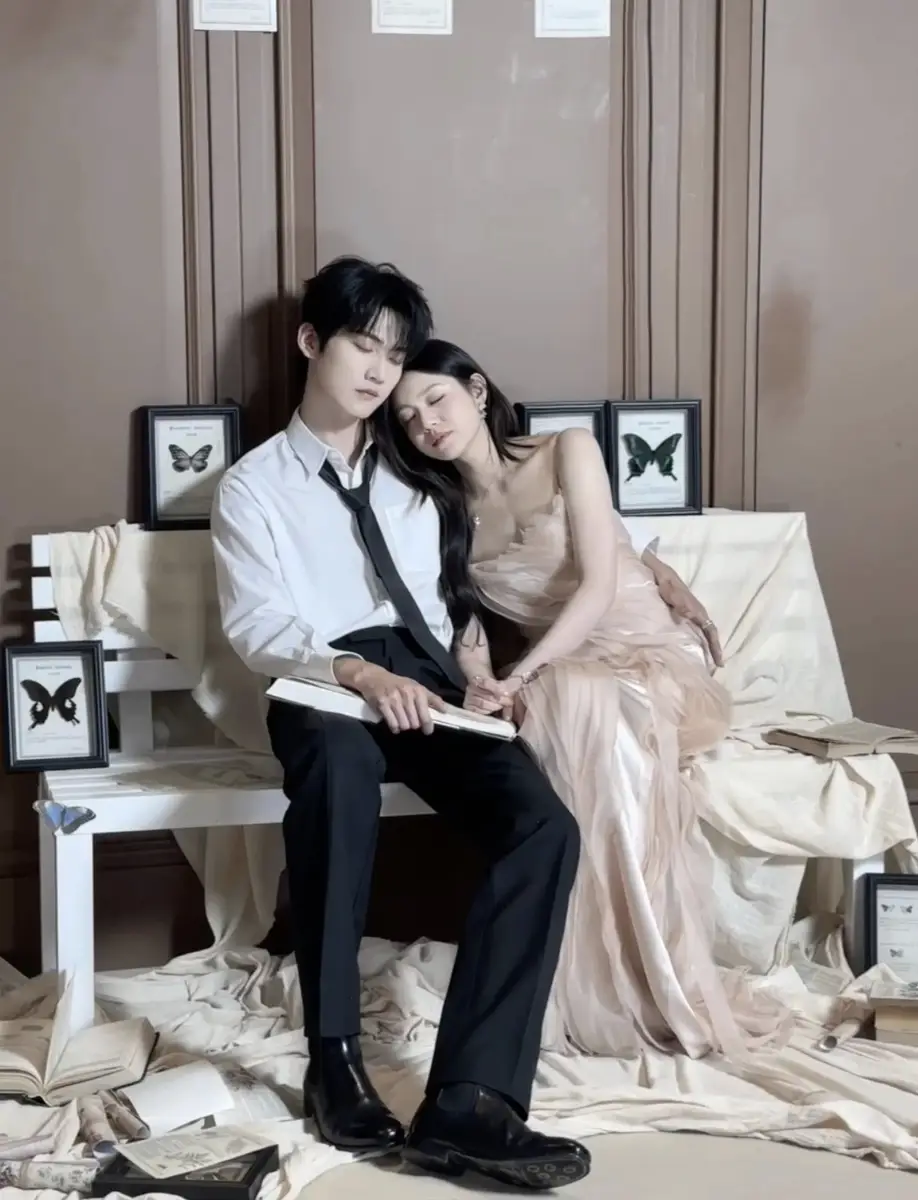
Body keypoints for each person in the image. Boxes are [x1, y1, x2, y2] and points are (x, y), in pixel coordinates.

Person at [211, 257, 592, 1190]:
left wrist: (475, 674)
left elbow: (449, 597)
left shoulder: (416, 472)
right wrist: (358, 673)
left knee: (542, 826)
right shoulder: (253, 487)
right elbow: (259, 626)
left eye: (394, 354)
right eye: (363, 346)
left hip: (426, 684)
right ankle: (334, 1063)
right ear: (312, 342)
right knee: (337, 775)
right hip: (324, 683)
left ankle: (470, 1103)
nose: (381, 372)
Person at [372, 338, 791, 1061]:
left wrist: (525, 674)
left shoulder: (568, 449)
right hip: (565, 671)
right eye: (407, 418)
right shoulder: (441, 510)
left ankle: (657, 978)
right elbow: (466, 624)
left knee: (573, 701)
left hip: (647, 653)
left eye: (435, 400)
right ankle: (603, 980)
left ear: (477, 391)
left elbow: (598, 585)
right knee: (560, 710)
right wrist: (482, 680)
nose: (426, 425)